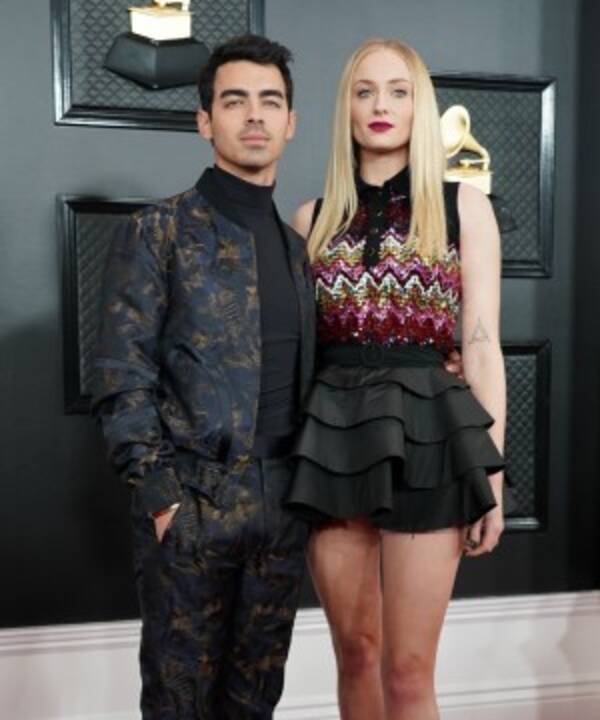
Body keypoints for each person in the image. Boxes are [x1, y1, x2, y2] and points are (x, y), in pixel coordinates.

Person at [92, 35, 315, 720]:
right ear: (204, 120)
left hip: (284, 507)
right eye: (235, 100)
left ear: (290, 122)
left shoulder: (299, 250)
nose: (254, 115)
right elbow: (121, 376)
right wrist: (163, 500)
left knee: (255, 704)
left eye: (269, 101)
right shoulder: (157, 231)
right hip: (192, 501)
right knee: (178, 703)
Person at [285, 38, 506, 720]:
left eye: (398, 91)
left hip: (431, 442)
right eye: (365, 91)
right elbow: (296, 355)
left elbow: (481, 346)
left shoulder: (464, 206)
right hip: (332, 441)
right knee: (356, 652)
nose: (381, 105)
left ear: (420, 107)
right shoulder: (310, 219)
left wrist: (492, 478)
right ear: (346, 108)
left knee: (408, 671)